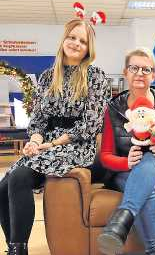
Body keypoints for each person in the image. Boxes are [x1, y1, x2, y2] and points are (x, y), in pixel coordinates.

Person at [0, 18, 108, 255]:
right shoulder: (49, 77)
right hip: (47, 144)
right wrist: (35, 141)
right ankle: (15, 248)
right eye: (72, 37)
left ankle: (18, 250)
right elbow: (38, 119)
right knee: (3, 186)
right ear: (63, 40)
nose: (76, 43)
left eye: (83, 41)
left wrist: (51, 143)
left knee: (18, 177)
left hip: (77, 146)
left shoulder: (96, 76)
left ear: (89, 48)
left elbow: (90, 125)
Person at [97, 48, 155, 255]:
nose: (140, 73)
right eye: (134, 68)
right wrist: (126, 162)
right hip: (126, 172)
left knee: (148, 160)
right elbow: (105, 156)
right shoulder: (112, 109)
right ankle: (154, 251)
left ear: (154, 75)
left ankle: (122, 218)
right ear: (125, 72)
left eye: (146, 69)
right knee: (147, 185)